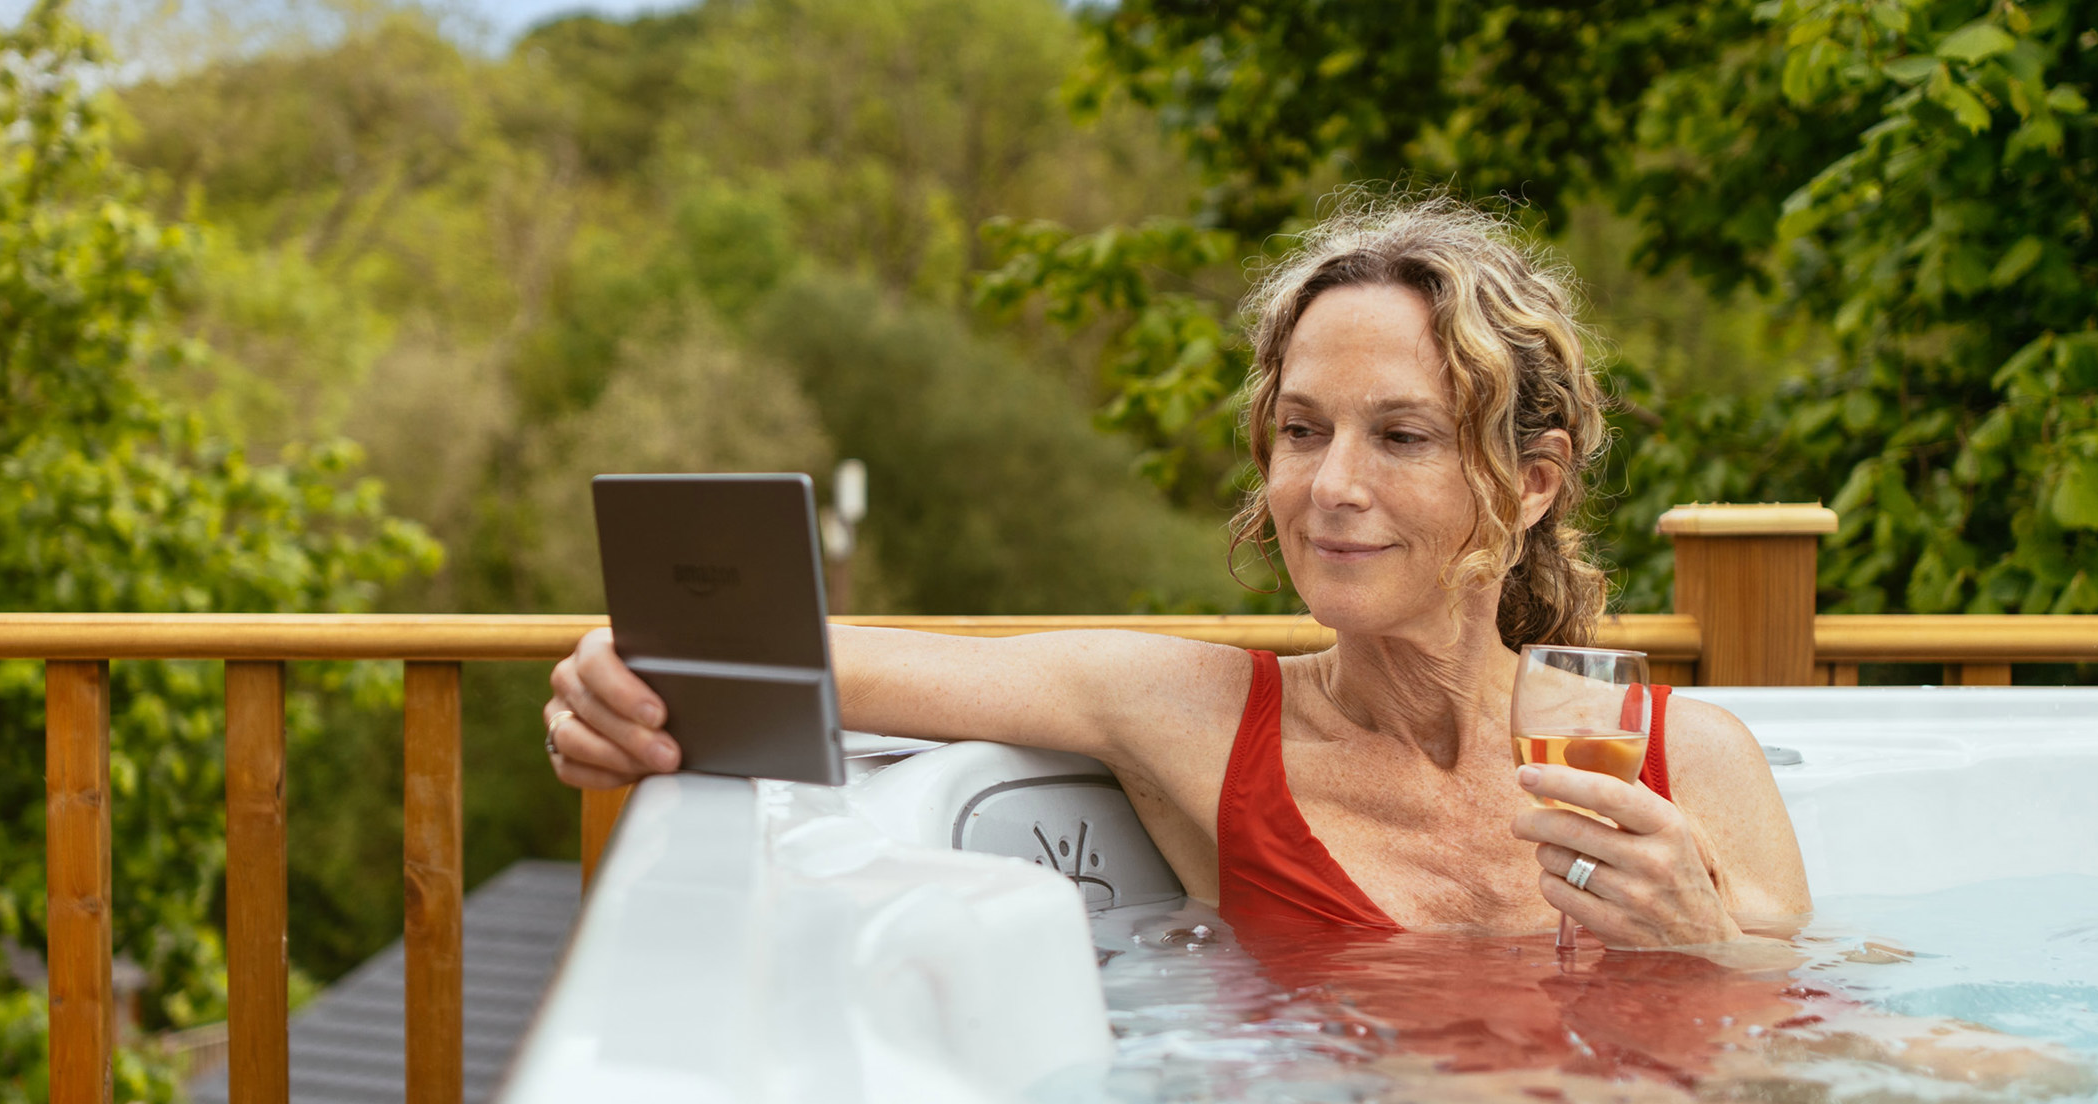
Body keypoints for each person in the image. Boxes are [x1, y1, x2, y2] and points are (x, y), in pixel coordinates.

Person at [541, 197, 1812, 950]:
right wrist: (623, 668)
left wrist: (1705, 946)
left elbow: (1822, 1047)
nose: (1331, 486)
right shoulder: (1187, 712)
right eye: (1303, 431)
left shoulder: (1688, 762)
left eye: (1403, 435)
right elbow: (801, 653)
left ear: (1532, 481)